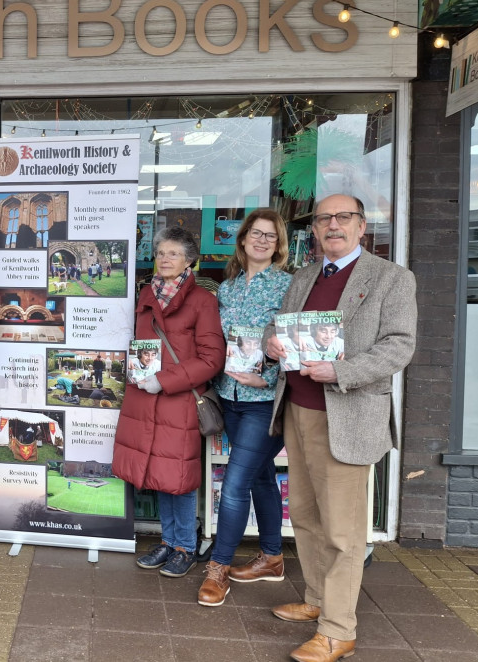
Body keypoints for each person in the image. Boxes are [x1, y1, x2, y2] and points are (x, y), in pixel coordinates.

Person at [264, 194, 417, 662]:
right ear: (313, 230)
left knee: (343, 531)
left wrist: (342, 372)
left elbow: (399, 346)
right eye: (324, 219)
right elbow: (285, 328)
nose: (333, 225)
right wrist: (274, 344)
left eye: (343, 217)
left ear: (361, 226)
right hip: (298, 410)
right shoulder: (305, 277)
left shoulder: (391, 278)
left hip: (346, 415)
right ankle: (316, 600)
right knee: (306, 517)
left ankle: (338, 630)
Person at [113, 227, 225, 578]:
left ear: (189, 260)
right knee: (159, 473)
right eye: (161, 252)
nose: (164, 259)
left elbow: (212, 358)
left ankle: (185, 547)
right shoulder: (146, 293)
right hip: (146, 399)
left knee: (180, 474)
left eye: (173, 254)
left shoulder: (202, 300)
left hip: (177, 399)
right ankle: (168, 539)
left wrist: (163, 380)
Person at [197, 208, 292, 608]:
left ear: (279, 244)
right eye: (256, 233)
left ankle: (218, 569)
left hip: (265, 402)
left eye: (270, 236)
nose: (262, 240)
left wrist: (266, 378)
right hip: (230, 400)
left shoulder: (290, 286)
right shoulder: (229, 288)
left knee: (235, 485)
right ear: (243, 239)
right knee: (260, 479)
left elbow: (297, 343)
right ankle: (272, 556)